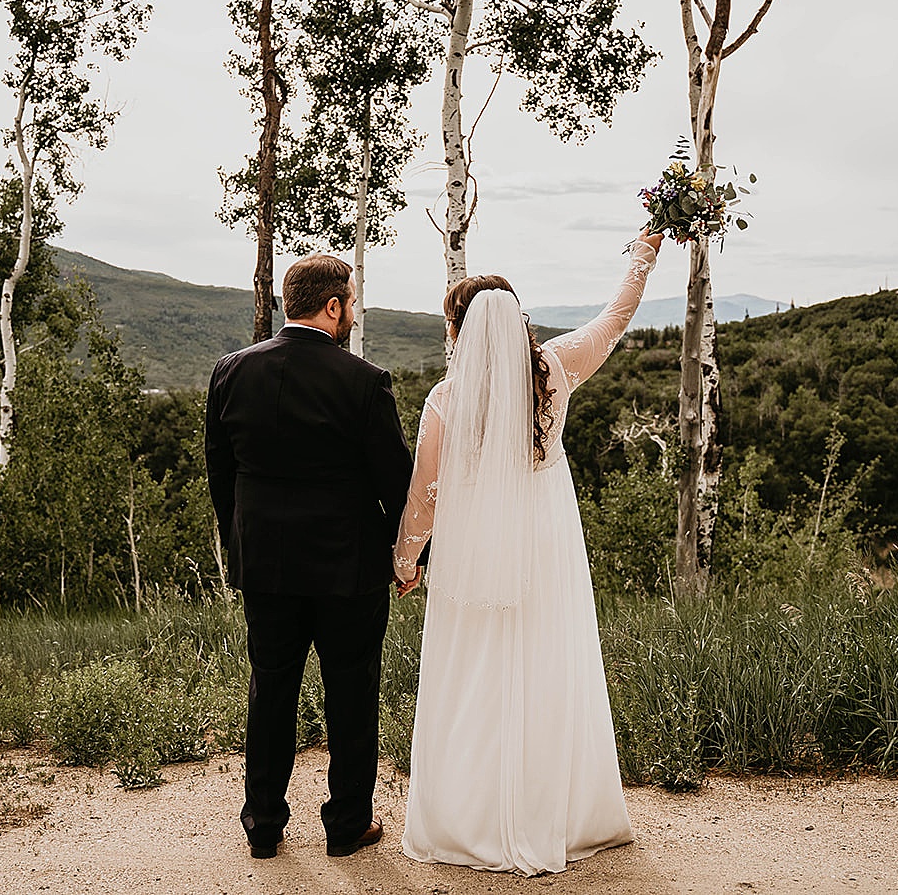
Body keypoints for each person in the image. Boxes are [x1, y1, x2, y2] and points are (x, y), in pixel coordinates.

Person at [392, 229, 663, 875]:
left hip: (470, 555)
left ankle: (470, 817)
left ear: (458, 331)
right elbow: (616, 317)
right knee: (545, 668)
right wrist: (643, 254)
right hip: (546, 546)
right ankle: (559, 814)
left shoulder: (445, 399)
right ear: (518, 321)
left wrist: (405, 563)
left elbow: (425, 497)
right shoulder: (557, 369)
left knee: (474, 673)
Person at [205, 254, 414, 860]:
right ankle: (347, 825)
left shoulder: (230, 372)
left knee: (271, 688)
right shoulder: (365, 381)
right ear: (333, 306)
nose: (352, 312)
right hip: (347, 570)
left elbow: (222, 474)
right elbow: (396, 485)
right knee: (351, 693)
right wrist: (406, 558)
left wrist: (239, 539)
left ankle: (263, 825)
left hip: (265, 565)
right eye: (351, 301)